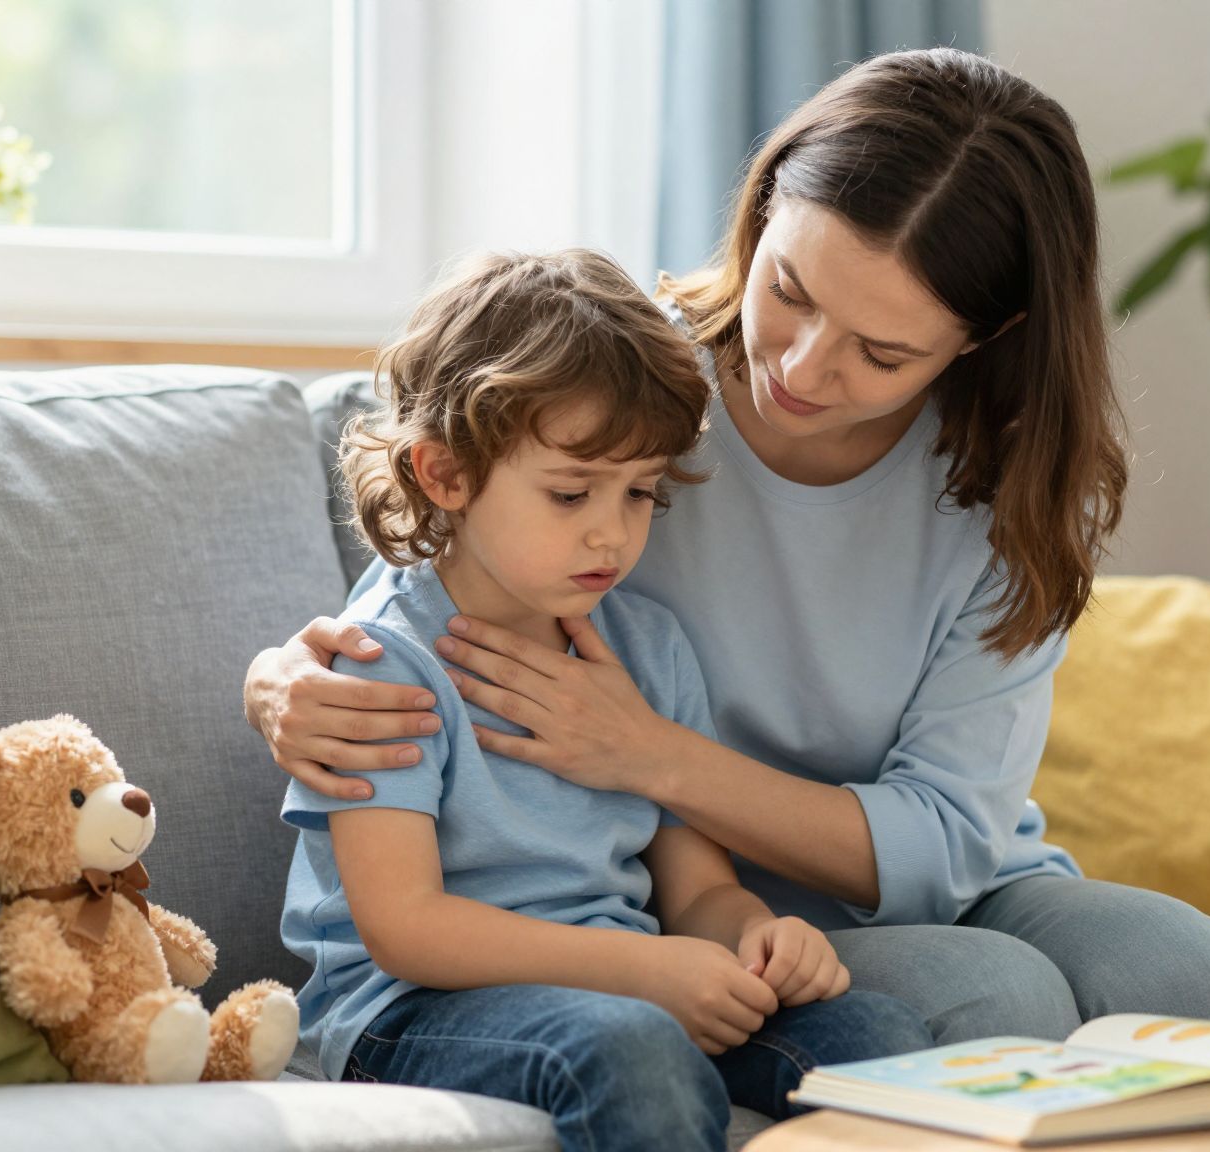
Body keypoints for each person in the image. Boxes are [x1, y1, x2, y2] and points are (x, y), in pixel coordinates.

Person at [251, 48, 1210, 1046]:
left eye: (882, 352)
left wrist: (652, 754)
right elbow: (432, 571)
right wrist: (277, 681)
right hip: (693, 908)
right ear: (763, 206)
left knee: (1181, 975)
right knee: (993, 999)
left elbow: (947, 845)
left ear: (984, 335)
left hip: (938, 885)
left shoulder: (1007, 491)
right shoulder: (628, 393)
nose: (800, 365)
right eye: (789, 288)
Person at [279, 248, 931, 1150]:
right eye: (570, 492)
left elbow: (697, 887)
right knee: (632, 1048)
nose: (611, 532)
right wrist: (642, 970)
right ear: (446, 476)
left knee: (878, 1042)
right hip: (411, 1012)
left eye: (639, 494)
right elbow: (406, 929)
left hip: (627, 990)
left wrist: (757, 936)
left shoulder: (647, 647)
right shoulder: (383, 660)